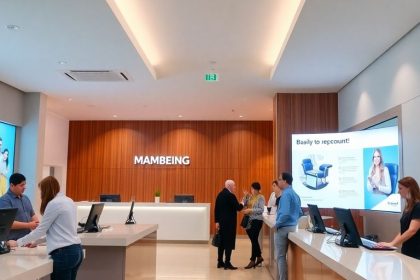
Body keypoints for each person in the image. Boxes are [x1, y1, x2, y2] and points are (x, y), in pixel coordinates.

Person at [8, 176, 83, 280]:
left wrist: (17, 243)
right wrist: (36, 242)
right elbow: (59, 232)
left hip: (64, 253)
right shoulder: (68, 200)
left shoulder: (54, 204)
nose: (41, 194)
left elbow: (41, 230)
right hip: (76, 250)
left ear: (46, 190)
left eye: (42, 191)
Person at [377, 176, 420, 259]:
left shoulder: (418, 206)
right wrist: (391, 244)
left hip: (417, 253)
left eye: (400, 188)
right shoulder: (408, 207)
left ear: (409, 189)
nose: (398, 191)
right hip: (407, 251)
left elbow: (412, 230)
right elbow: (403, 231)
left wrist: (392, 244)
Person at [274, 172, 302, 280]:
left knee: (280, 257)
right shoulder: (295, 194)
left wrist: (277, 224)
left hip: (283, 228)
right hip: (292, 227)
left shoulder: (285, 194)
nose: (278, 181)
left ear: (285, 181)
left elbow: (285, 213)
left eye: (279, 179)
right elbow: (299, 213)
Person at [214, 179, 245, 270]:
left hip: (221, 223)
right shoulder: (230, 195)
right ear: (229, 186)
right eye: (234, 185)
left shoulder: (220, 195)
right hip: (229, 223)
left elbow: (216, 209)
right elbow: (238, 208)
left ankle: (220, 262)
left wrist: (217, 221)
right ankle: (227, 263)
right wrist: (243, 202)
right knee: (229, 242)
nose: (235, 187)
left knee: (221, 242)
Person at [0, 173, 39, 240]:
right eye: (21, 185)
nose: (24, 187)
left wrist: (37, 224)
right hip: (13, 241)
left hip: (27, 240)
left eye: (25, 184)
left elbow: (32, 215)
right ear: (12, 185)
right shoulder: (4, 200)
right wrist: (29, 225)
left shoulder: (26, 198)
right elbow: (8, 223)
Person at [242, 182, 265, 269]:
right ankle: (259, 257)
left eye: (253, 189)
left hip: (257, 220)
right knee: (253, 240)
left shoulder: (261, 197)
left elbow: (261, 209)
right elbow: (244, 204)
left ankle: (253, 260)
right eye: (251, 189)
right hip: (249, 220)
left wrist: (250, 210)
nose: (252, 190)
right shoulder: (250, 196)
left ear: (257, 189)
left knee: (254, 239)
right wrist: (245, 196)